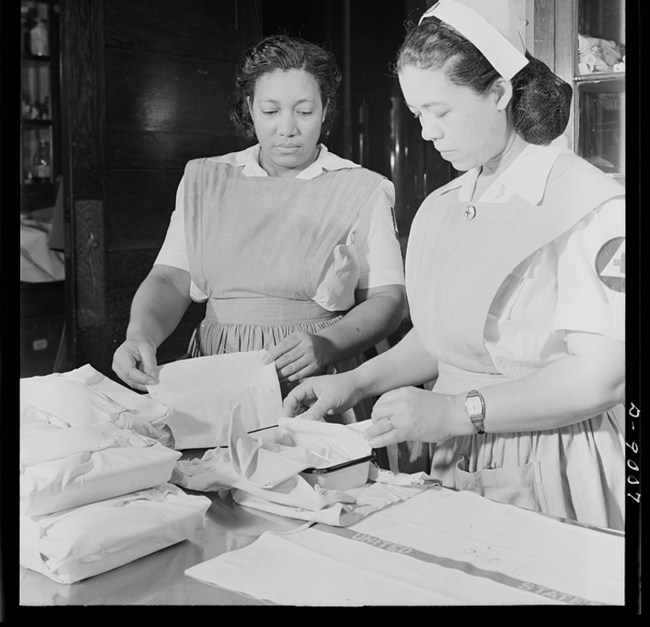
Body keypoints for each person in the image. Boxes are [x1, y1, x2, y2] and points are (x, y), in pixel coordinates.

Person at [285, 0, 626, 531]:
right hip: (455, 461)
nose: (426, 133)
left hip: (551, 467)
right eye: (417, 114)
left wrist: (453, 412)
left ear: (498, 92)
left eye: (440, 112)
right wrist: (353, 383)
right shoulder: (443, 206)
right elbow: (444, 337)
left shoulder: (587, 205)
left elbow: (603, 378)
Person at [112, 34, 406, 423]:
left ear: (325, 109)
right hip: (218, 374)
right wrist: (141, 336)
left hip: (311, 379)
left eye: (304, 111)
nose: (287, 128)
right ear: (249, 108)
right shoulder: (206, 179)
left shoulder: (361, 188)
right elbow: (170, 279)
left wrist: (327, 344)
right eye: (270, 111)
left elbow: (389, 300)